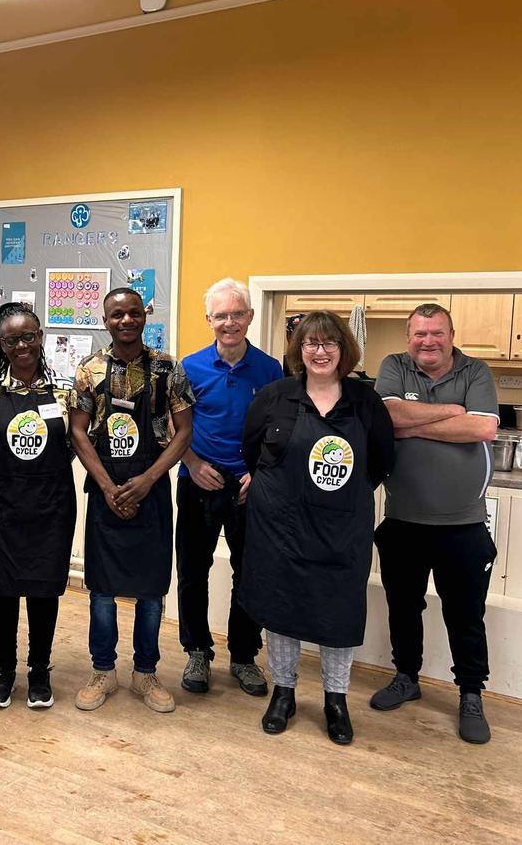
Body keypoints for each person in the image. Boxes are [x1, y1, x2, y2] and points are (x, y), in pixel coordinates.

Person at [240, 311, 394, 743]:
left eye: (330, 343)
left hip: (341, 530)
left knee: (338, 611)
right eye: (311, 343)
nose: (320, 351)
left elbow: (381, 462)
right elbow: (251, 450)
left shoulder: (365, 402)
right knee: (282, 607)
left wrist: (338, 499)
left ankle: (336, 700)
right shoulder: (274, 397)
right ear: (299, 349)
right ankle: (283, 693)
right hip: (281, 527)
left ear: (344, 349)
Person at [370, 302, 499, 744]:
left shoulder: (475, 370)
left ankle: (470, 693)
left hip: (463, 525)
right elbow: (389, 417)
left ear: (451, 336)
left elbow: (482, 430)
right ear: (409, 338)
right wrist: (453, 411)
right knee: (404, 608)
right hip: (403, 521)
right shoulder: (394, 366)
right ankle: (406, 677)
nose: (428, 341)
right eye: (420, 334)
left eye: (437, 333)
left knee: (466, 615)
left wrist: (414, 423)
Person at [70, 287, 194, 713]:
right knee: (102, 591)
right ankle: (103, 670)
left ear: (144, 316)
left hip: (152, 490)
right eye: (117, 314)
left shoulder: (167, 368)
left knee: (151, 590)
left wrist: (147, 480)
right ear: (105, 321)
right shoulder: (89, 369)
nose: (126, 320)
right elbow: (78, 431)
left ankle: (146, 672)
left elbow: (184, 431)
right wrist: (108, 487)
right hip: (105, 489)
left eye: (133, 313)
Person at [0, 302, 78, 709]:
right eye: (12, 340)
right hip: (1, 505)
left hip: (51, 505)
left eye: (29, 336)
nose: (22, 345)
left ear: (40, 337)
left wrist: (39, 476)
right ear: (1, 344)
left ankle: (39, 670)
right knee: (1, 589)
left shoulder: (65, 389)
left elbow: (72, 445)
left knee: (44, 589)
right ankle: (4, 670)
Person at [176, 279, 282, 697]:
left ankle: (243, 656)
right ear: (209, 320)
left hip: (249, 486)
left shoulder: (270, 370)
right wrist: (192, 463)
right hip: (198, 481)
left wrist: (260, 472)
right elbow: (171, 425)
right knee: (192, 571)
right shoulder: (189, 368)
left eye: (237, 314)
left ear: (250, 316)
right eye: (221, 315)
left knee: (250, 572)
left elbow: (279, 430)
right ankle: (197, 651)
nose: (230, 322)